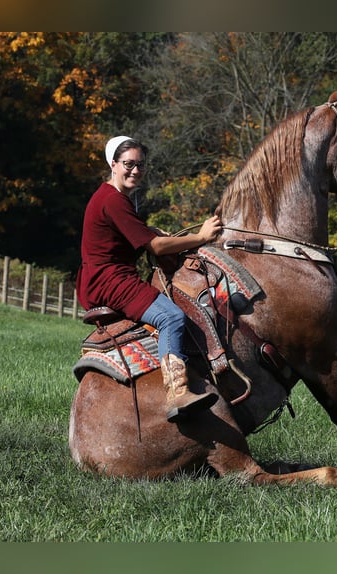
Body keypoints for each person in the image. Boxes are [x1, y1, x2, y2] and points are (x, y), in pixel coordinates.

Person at [77, 136, 222, 422]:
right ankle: (177, 392)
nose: (135, 171)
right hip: (111, 281)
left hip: (107, 276)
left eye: (140, 165)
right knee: (171, 317)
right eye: (128, 164)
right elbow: (154, 248)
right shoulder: (113, 200)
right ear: (113, 164)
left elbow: (130, 232)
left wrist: (149, 229)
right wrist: (203, 237)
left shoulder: (114, 197)